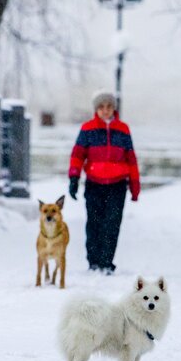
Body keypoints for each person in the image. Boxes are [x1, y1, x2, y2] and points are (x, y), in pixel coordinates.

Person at [68, 91, 140, 274]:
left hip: (117, 185)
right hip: (94, 183)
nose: (105, 110)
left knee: (112, 223)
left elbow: (131, 159)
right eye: (101, 107)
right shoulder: (87, 129)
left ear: (114, 109)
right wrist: (74, 178)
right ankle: (94, 261)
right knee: (94, 223)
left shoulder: (123, 130)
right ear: (96, 109)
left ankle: (107, 261)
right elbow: (78, 155)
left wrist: (134, 185)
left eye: (109, 107)